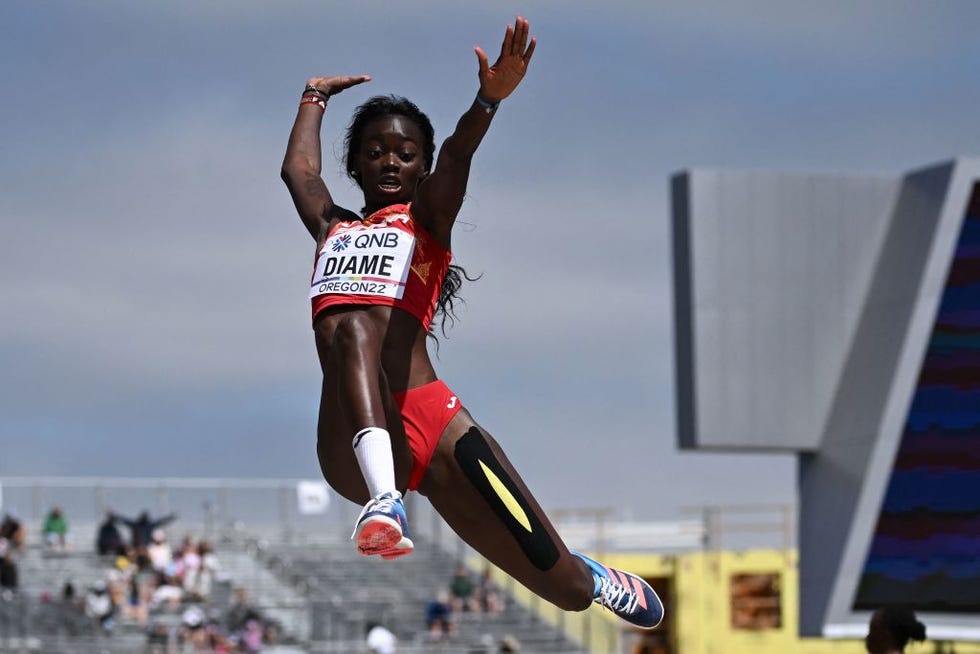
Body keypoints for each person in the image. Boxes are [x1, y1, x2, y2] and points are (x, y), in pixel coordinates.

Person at [280, 15, 662, 630]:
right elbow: (299, 174)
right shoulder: (334, 229)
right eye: (374, 152)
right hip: (351, 428)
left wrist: (488, 100)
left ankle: (590, 574)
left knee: (561, 589)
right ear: (354, 164)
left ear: (422, 168)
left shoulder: (426, 222)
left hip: (433, 423)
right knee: (348, 328)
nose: (389, 163)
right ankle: (385, 499)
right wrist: (314, 96)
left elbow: (458, 152)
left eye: (406, 155)